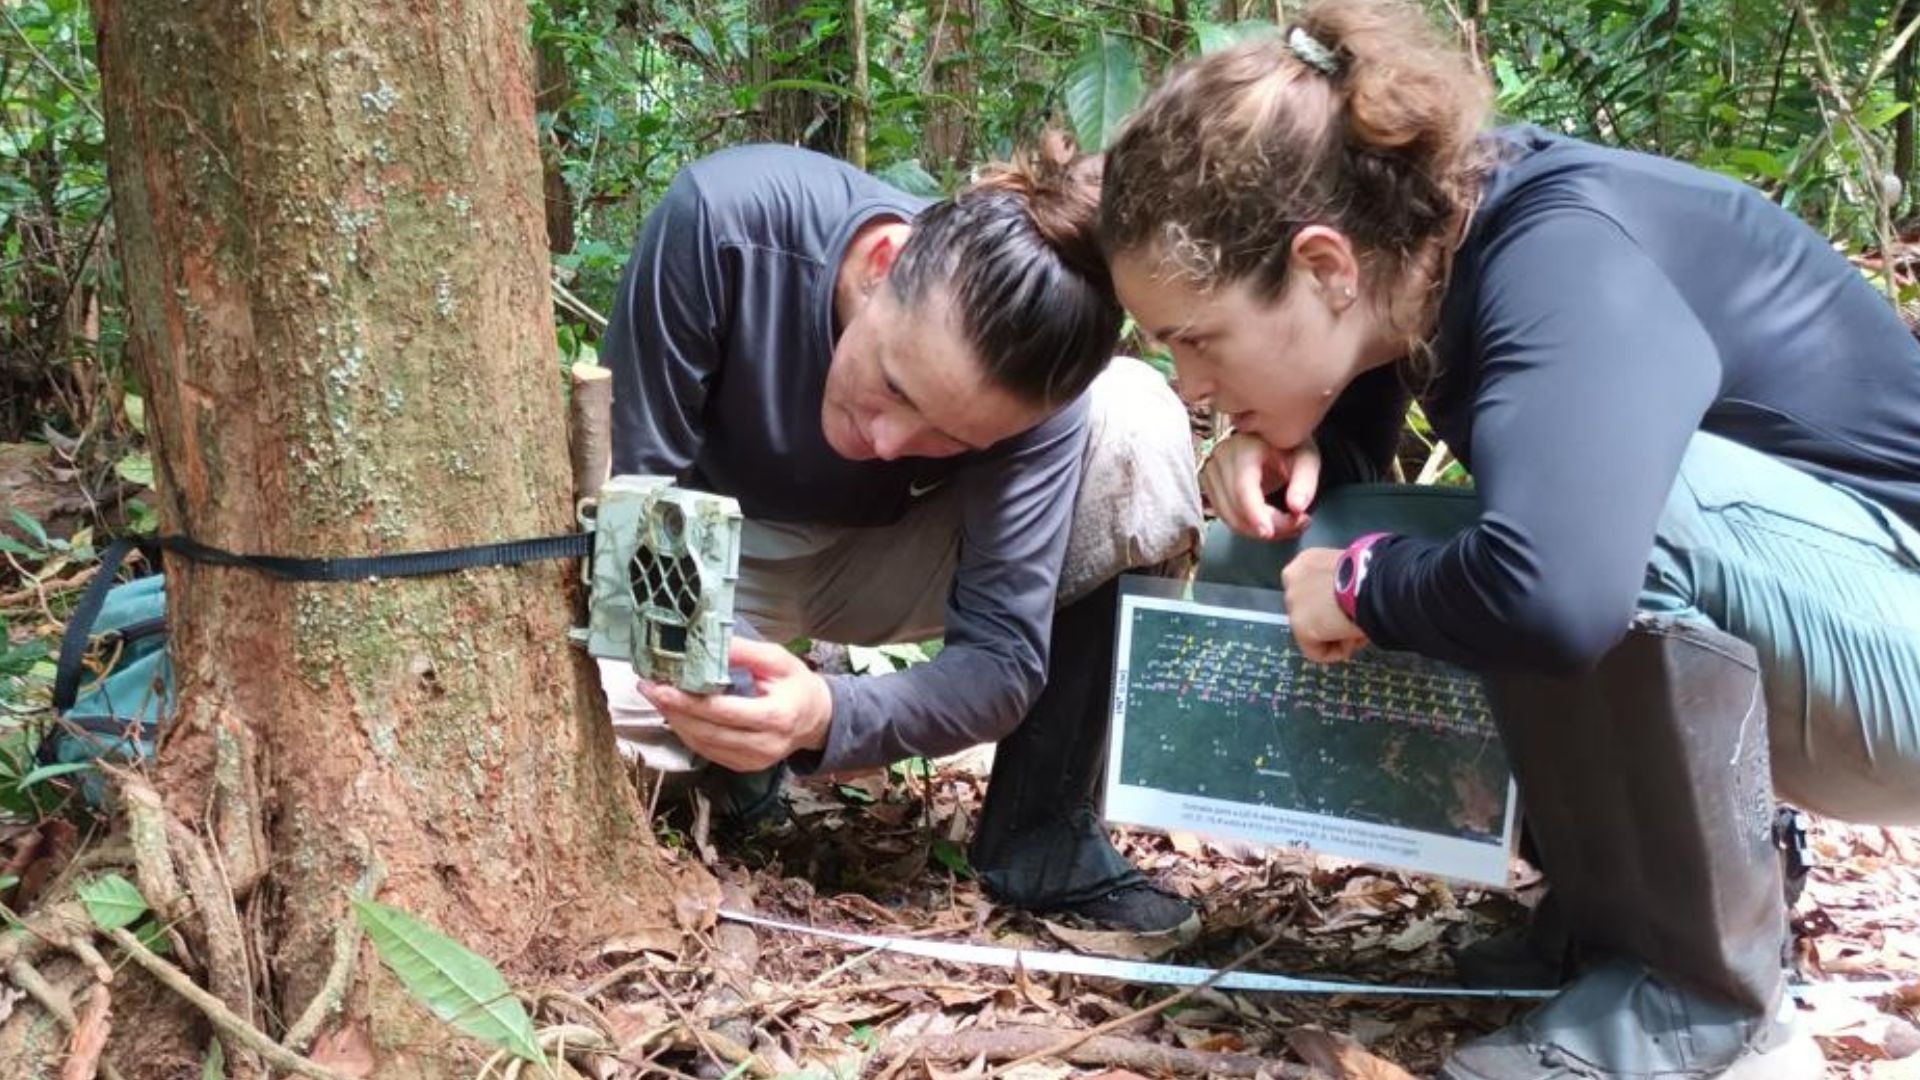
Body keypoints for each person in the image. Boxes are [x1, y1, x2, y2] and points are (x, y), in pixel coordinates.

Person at [1097, 1, 1920, 1076]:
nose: (1192, 387)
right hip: (1811, 617)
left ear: (1326, 266)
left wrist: (1363, 583)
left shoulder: (1561, 253)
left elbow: (1560, 589)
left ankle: (1707, 1009)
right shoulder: (1427, 247)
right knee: (1283, 554)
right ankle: (1607, 919)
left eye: (1198, 341)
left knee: (1587, 519)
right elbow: (1359, 517)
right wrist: (1306, 462)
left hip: (1889, 643)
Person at [596, 141, 1203, 936]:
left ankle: (1043, 835)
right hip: (712, 558)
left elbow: (1001, 660)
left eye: (953, 436)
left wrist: (824, 715)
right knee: (593, 707)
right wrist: (725, 680)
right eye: (893, 384)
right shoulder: (727, 221)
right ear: (885, 262)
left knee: (1136, 422)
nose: (885, 444)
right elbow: (638, 500)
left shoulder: (1039, 396)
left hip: (902, 559)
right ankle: (725, 767)